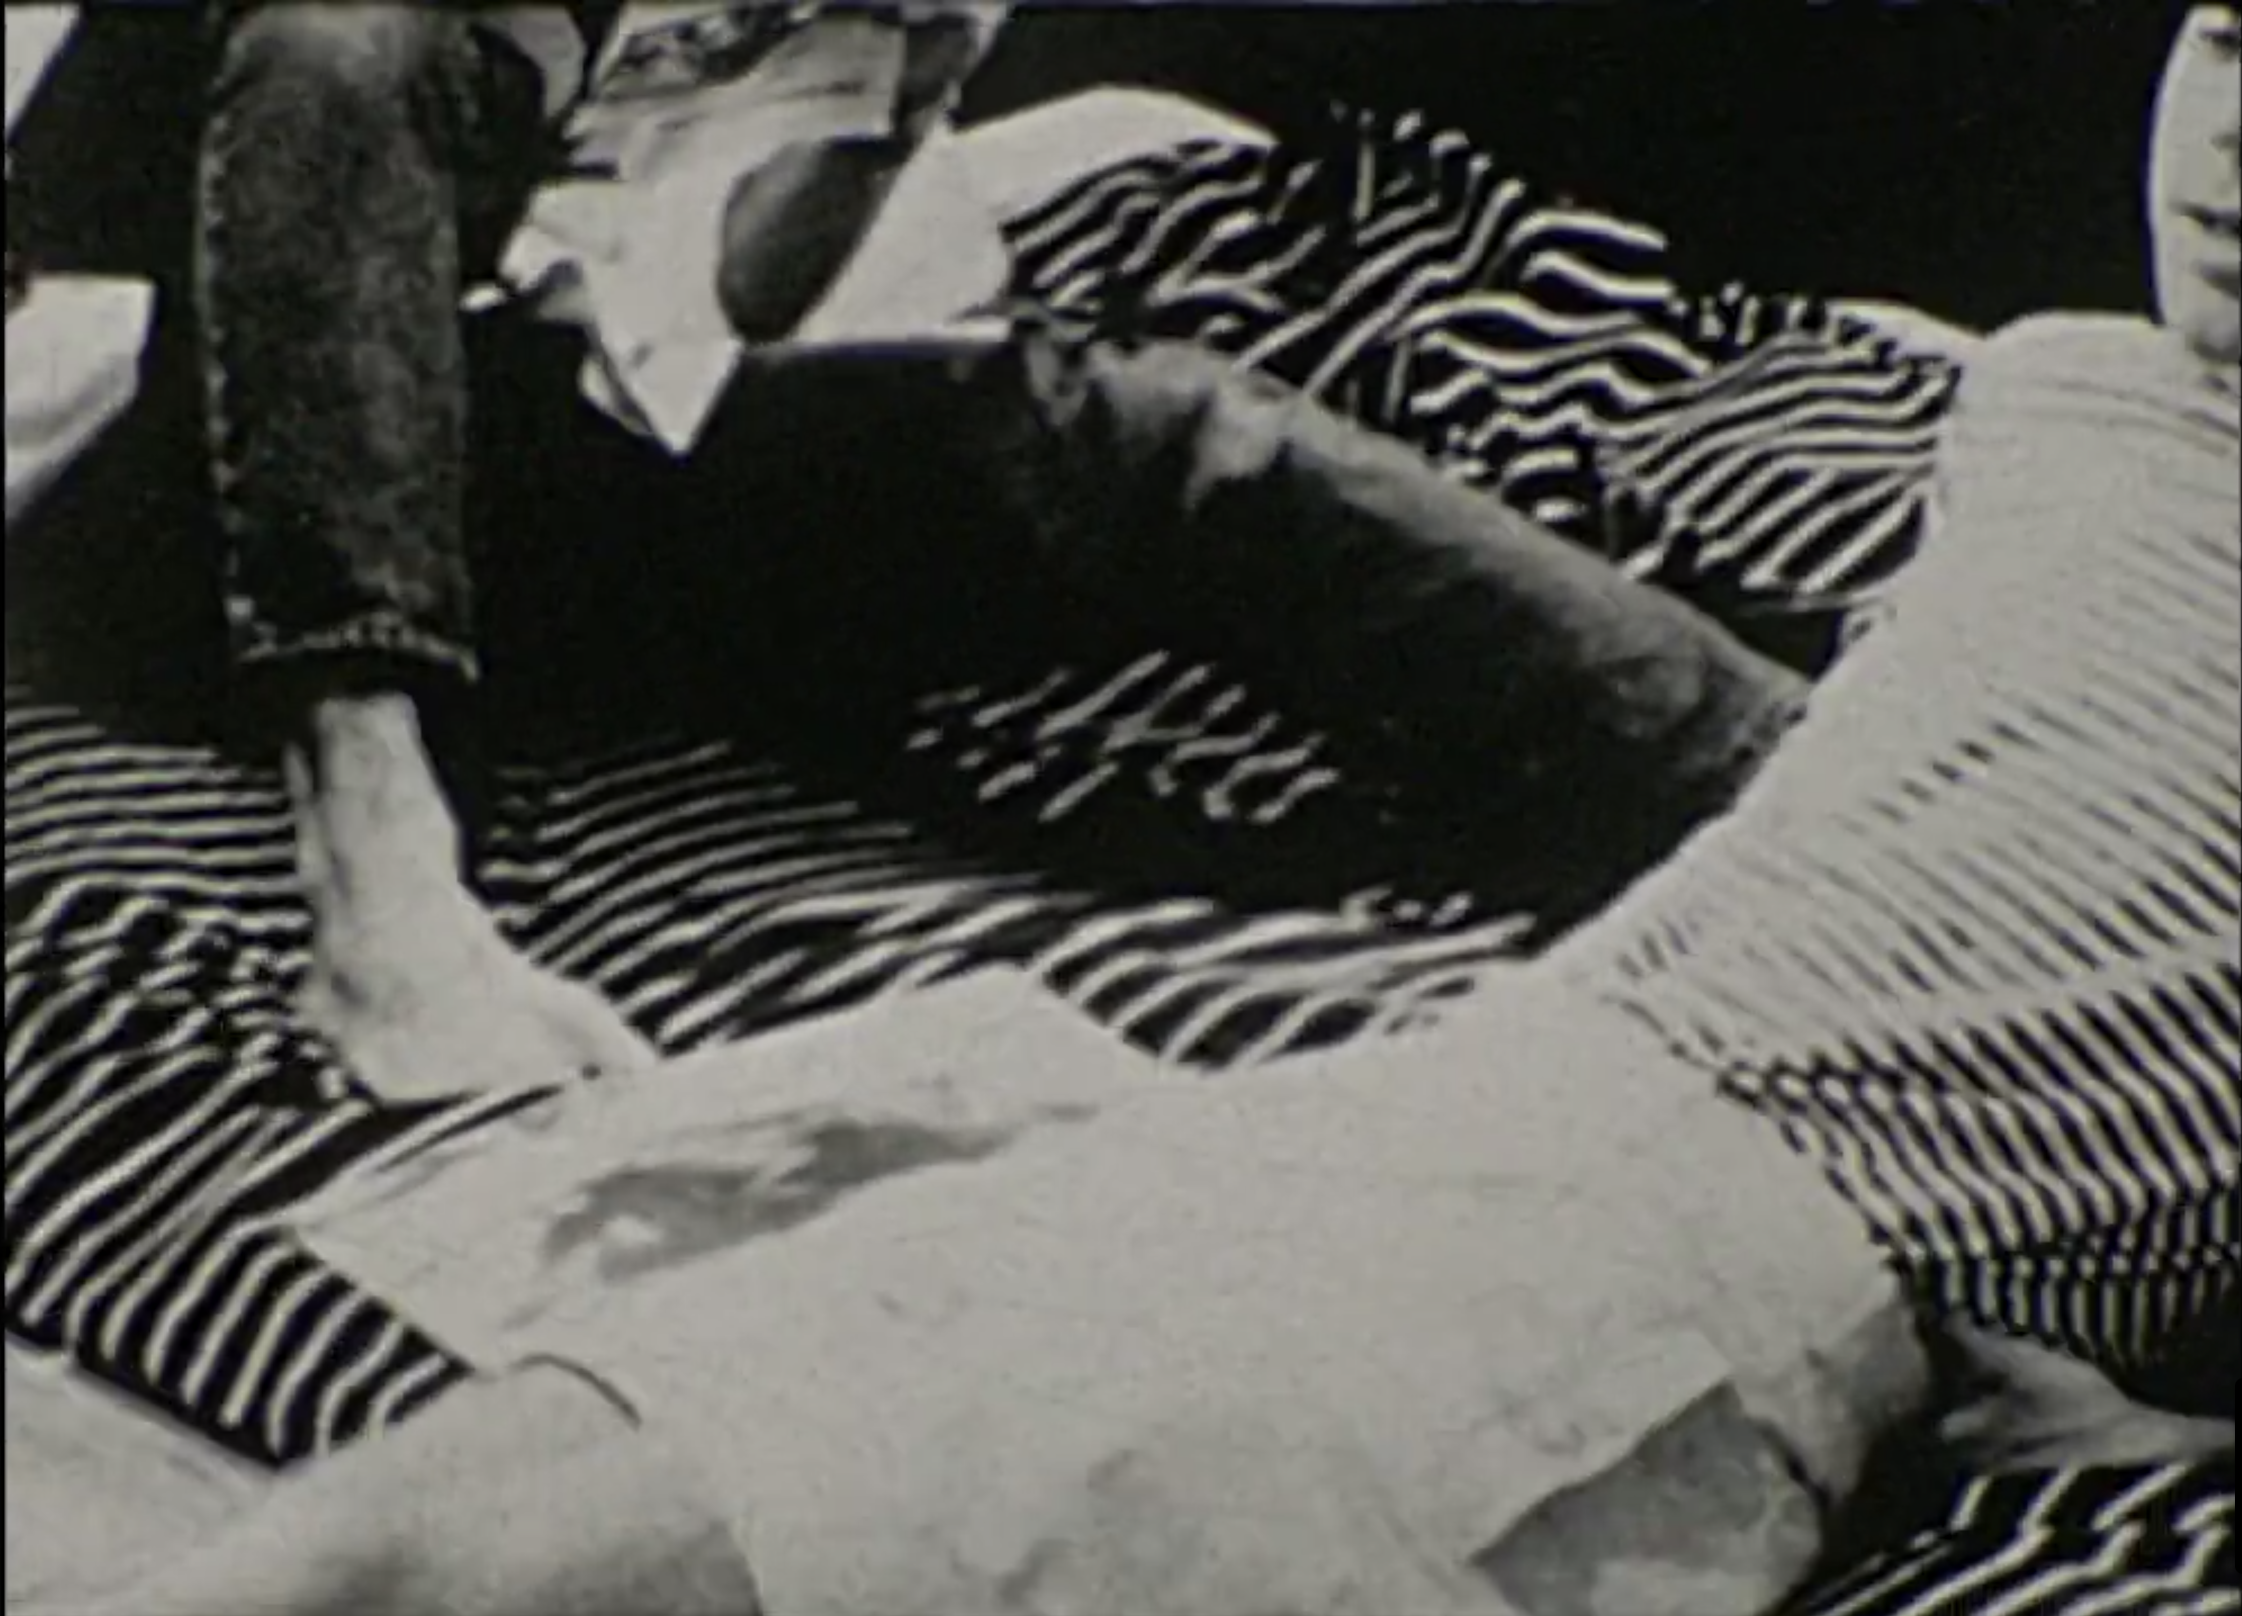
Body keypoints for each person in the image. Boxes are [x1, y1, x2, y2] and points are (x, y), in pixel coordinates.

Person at [164, 1, 1810, 1106]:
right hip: (235, 522)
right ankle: (377, 890)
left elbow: (732, 323)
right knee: (346, 30)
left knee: (1155, 428)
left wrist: (888, 109)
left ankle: (1795, 796)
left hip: (551, 493)